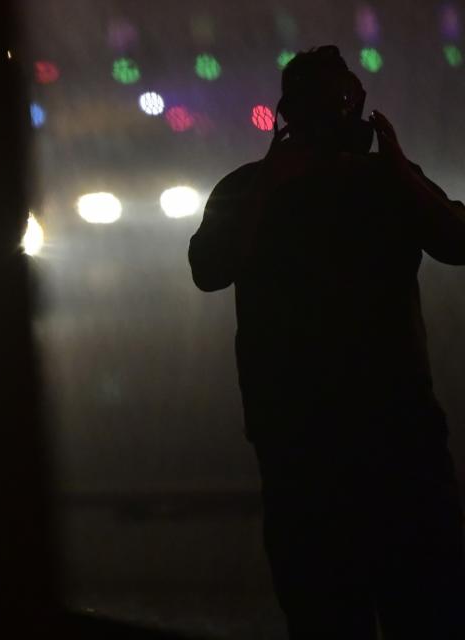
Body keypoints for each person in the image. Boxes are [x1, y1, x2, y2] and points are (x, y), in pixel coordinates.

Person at [189, 46, 465, 639]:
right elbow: (209, 268)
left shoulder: (385, 182)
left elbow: (458, 241)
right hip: (329, 442)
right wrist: (271, 186)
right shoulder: (252, 189)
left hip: (369, 437)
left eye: (343, 104)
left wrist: (398, 170)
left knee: (400, 609)